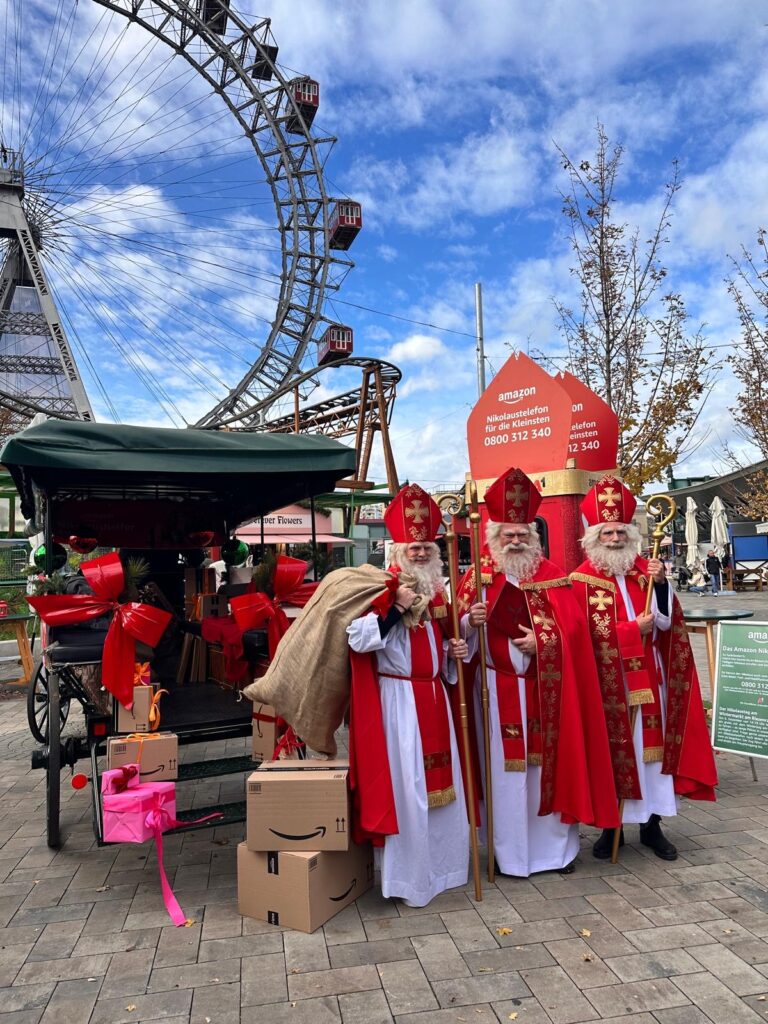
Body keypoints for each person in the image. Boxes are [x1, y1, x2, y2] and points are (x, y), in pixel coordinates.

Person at [458, 467, 619, 878]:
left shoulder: (552, 576)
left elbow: (578, 633)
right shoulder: (476, 580)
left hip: (548, 692)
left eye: (522, 535)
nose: (515, 541)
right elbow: (455, 642)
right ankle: (509, 855)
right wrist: (468, 623)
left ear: (534, 536)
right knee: (505, 778)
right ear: (493, 538)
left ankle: (555, 854)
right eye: (507, 535)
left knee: (547, 769)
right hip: (494, 692)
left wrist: (543, 644)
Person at [570, 476, 717, 862]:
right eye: (608, 532)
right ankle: (610, 827)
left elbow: (668, 625)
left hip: (650, 677)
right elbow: (581, 635)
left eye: (620, 530)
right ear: (594, 537)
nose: (615, 538)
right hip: (606, 682)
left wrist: (663, 585)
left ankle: (652, 826)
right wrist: (630, 630)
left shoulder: (645, 574)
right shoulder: (579, 582)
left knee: (650, 755)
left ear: (631, 534)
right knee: (613, 752)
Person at [346, 483, 470, 907]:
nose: (419, 553)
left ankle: (445, 869)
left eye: (425, 547)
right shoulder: (378, 588)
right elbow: (359, 640)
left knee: (443, 789)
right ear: (397, 549)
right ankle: (410, 880)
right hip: (399, 705)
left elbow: (443, 648)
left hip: (433, 696)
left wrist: (455, 653)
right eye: (412, 547)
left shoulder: (438, 592)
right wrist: (396, 607)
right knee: (409, 790)